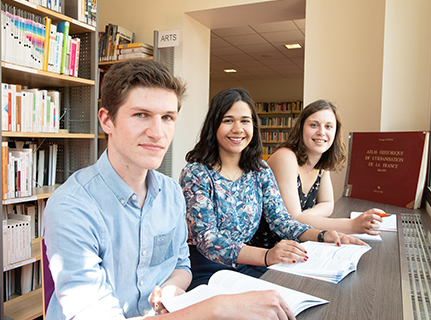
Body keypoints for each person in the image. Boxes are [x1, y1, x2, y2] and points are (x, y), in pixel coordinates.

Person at [44, 60, 296, 319]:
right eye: (141, 115)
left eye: (167, 118)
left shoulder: (171, 192)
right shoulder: (71, 206)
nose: (157, 132)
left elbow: (181, 264)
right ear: (107, 120)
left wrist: (170, 288)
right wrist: (217, 308)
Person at [179, 88, 366, 289]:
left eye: (245, 121)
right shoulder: (196, 173)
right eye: (228, 120)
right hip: (208, 267)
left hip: (247, 263)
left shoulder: (260, 169)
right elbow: (208, 240)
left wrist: (322, 234)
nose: (238, 128)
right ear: (213, 125)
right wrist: (267, 256)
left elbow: (281, 220)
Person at [249, 99, 384, 249]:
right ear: (301, 128)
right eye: (314, 125)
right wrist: (352, 225)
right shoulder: (285, 157)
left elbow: (327, 204)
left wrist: (304, 216)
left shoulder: (321, 163)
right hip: (266, 251)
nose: (321, 132)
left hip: (297, 245)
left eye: (328, 126)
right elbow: (294, 218)